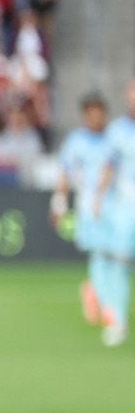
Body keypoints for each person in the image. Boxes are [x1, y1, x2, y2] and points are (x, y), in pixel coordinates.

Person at [53, 91, 116, 329]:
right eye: (91, 113)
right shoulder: (75, 142)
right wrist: (59, 204)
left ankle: (94, 290)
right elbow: (64, 176)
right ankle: (106, 304)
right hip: (88, 206)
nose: (96, 118)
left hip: (116, 204)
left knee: (116, 254)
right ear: (84, 116)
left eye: (100, 113)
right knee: (100, 252)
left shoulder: (114, 138)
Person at [93, 80, 135, 347]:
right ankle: (117, 321)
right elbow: (109, 166)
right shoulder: (118, 131)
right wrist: (99, 197)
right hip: (126, 206)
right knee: (120, 262)